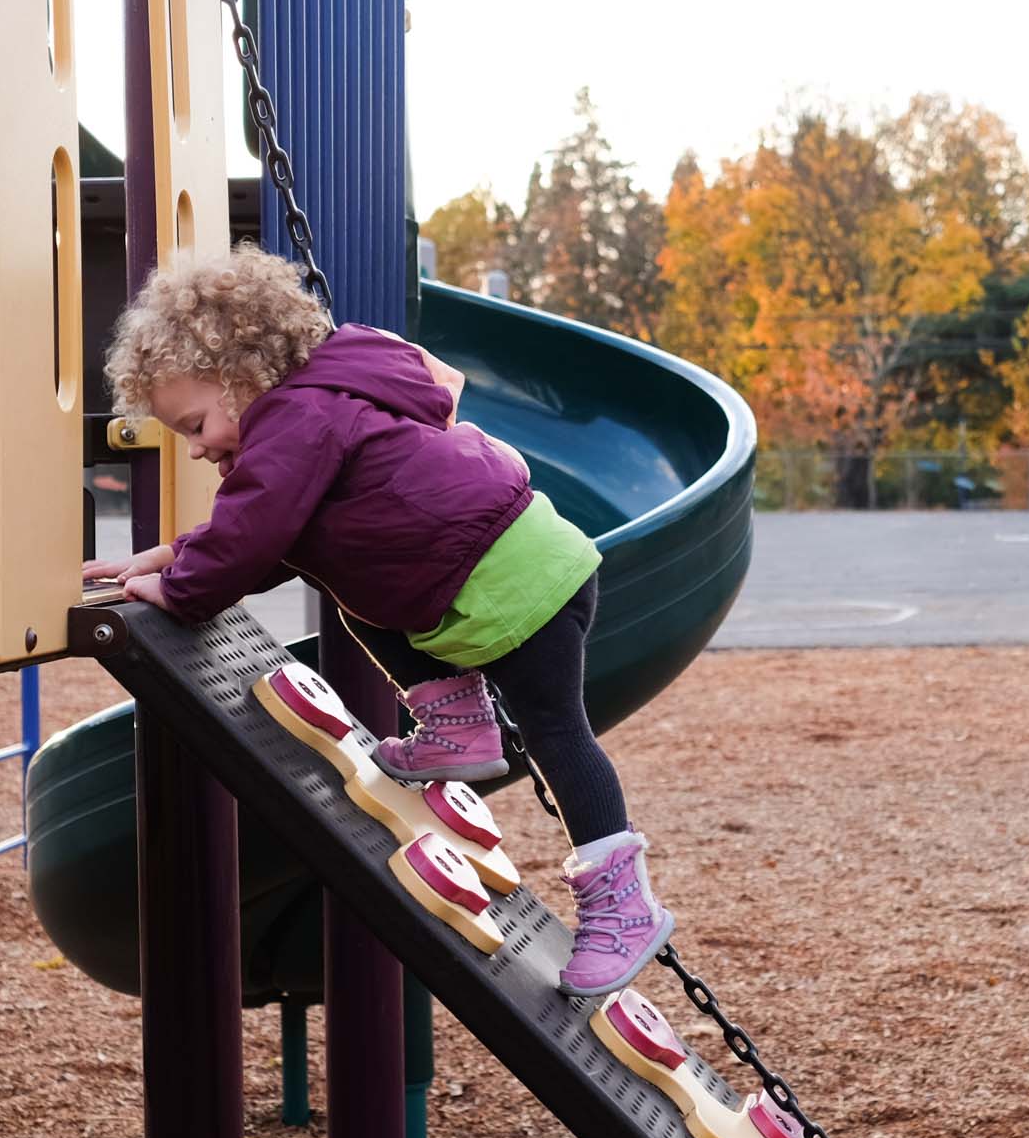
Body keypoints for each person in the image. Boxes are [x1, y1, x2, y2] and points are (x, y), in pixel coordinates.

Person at [85, 245, 673, 997]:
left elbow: (255, 527)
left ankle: (624, 906)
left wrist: (181, 589)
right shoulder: (314, 406)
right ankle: (457, 723)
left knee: (557, 732)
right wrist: (170, 557)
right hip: (493, 560)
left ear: (239, 376)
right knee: (342, 571)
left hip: (515, 574)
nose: (196, 448)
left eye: (195, 424)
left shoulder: (297, 416)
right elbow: (278, 535)